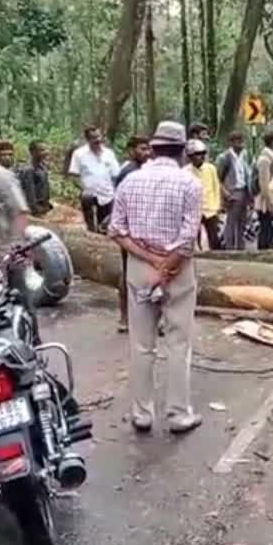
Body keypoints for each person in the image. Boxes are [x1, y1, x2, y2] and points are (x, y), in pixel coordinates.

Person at [109, 121, 204, 434]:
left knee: (141, 344)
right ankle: (178, 414)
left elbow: (116, 231)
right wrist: (165, 267)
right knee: (179, 343)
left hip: (139, 267)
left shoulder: (129, 182)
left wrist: (150, 261)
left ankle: (142, 413)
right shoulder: (189, 183)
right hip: (178, 269)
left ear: (153, 148)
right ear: (181, 151)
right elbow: (189, 237)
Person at [112, 136, 152, 333]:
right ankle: (125, 316)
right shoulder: (127, 173)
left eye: (148, 149)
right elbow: (119, 203)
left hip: (147, 228)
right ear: (131, 151)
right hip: (130, 230)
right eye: (142, 149)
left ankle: (148, 316)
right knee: (128, 271)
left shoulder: (148, 170)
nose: (146, 153)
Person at [68, 126, 121, 233]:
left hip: (107, 193)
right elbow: (74, 175)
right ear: (87, 139)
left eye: (99, 136)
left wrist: (115, 191)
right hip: (88, 194)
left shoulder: (109, 153)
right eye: (94, 138)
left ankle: (102, 239)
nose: (98, 140)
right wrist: (82, 189)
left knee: (105, 224)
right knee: (90, 223)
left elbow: (116, 174)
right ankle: (91, 233)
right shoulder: (79, 154)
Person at [215, 132, 252, 250]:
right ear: (231, 143)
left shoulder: (245, 155)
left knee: (242, 221)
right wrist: (224, 192)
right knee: (231, 222)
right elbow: (217, 178)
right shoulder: (224, 157)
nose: (240, 144)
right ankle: (229, 248)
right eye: (237, 141)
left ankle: (241, 247)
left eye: (241, 141)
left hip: (244, 190)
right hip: (232, 192)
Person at [187, 140, 223, 250]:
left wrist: (217, 205)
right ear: (190, 156)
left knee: (214, 237)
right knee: (194, 237)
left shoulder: (211, 168)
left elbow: (216, 187)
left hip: (210, 208)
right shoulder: (186, 171)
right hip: (194, 209)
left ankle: (217, 258)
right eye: (197, 154)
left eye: (203, 154)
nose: (201, 157)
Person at [254, 132, 273, 250]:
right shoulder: (265, 159)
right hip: (265, 201)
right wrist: (270, 203)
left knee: (270, 230)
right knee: (266, 229)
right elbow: (264, 184)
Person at [16, 141, 53, 217]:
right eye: (42, 150)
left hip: (43, 206)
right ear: (33, 152)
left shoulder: (42, 166)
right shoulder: (28, 170)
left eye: (46, 149)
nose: (46, 152)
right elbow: (29, 193)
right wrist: (35, 210)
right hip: (35, 209)